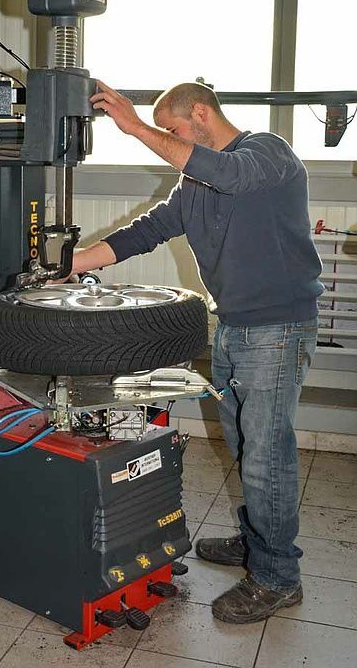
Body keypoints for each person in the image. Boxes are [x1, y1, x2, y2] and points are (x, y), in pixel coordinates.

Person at [69, 80, 323, 624]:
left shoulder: (267, 154)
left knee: (266, 458)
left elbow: (230, 174)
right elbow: (147, 230)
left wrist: (136, 128)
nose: (170, 139)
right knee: (244, 446)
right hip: (233, 327)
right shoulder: (194, 186)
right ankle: (258, 540)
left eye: (174, 129)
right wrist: (71, 264)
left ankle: (278, 577)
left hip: (278, 329)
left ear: (201, 114)